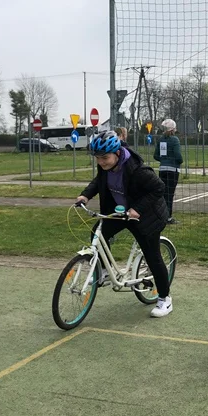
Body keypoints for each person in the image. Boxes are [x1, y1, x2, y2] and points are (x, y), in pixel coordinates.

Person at [75, 130, 173, 317]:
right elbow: (99, 181)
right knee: (98, 232)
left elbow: (159, 188)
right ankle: (103, 270)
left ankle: (165, 299)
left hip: (146, 216)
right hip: (121, 212)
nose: (101, 162)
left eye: (105, 157)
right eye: (97, 158)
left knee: (152, 256)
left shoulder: (138, 170)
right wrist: (85, 195)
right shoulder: (105, 167)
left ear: (117, 153)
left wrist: (137, 209)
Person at [153, 118, 183, 225]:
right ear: (172, 129)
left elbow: (156, 155)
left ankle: (161, 214)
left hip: (163, 169)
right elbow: (178, 155)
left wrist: (164, 160)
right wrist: (179, 161)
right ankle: (168, 216)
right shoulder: (175, 140)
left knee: (163, 193)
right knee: (170, 194)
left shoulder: (161, 140)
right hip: (173, 170)